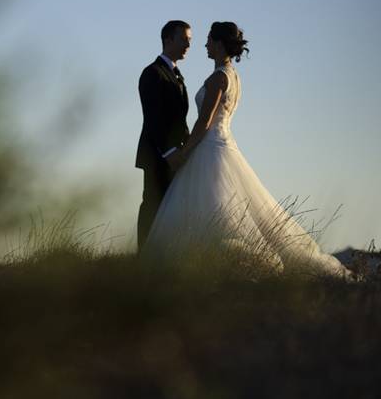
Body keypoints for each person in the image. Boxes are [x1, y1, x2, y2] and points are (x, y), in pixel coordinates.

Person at [141, 21, 353, 279]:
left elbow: (204, 122)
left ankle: (200, 268)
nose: (202, 45)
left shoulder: (219, 77)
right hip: (218, 146)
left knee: (210, 210)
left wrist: (184, 152)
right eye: (189, 39)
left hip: (209, 149)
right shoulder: (231, 76)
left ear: (219, 44)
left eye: (207, 40)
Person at [135, 20, 192, 251]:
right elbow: (154, 119)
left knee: (173, 207)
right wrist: (169, 152)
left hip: (177, 153)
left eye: (190, 41)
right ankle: (144, 255)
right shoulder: (153, 73)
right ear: (168, 40)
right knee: (153, 203)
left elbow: (179, 119)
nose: (188, 45)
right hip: (158, 154)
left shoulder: (176, 75)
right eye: (183, 39)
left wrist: (187, 146)